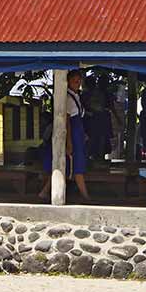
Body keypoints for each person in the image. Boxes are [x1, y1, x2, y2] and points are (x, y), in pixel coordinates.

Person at [65, 71, 91, 201]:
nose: (77, 83)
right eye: (75, 81)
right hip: (73, 133)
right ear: (68, 82)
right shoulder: (68, 98)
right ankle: (85, 196)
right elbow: (67, 121)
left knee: (78, 162)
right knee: (77, 164)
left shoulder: (76, 96)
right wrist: (69, 140)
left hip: (78, 131)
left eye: (79, 81)